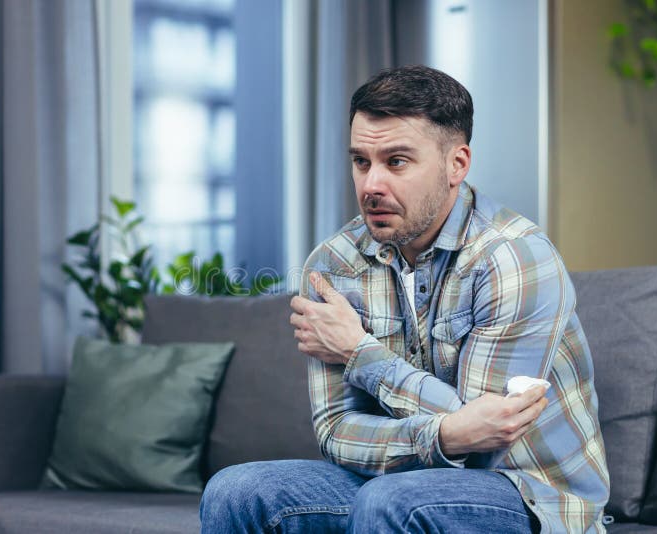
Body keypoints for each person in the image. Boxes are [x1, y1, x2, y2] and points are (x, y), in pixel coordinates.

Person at [200, 65, 610, 533]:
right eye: (360, 161)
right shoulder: (334, 265)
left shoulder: (513, 258)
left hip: (525, 492)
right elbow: (336, 432)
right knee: (236, 491)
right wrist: (443, 434)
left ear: (457, 164)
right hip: (395, 479)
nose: (371, 185)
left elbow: (485, 438)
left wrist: (359, 353)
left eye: (396, 162)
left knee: (391, 501)